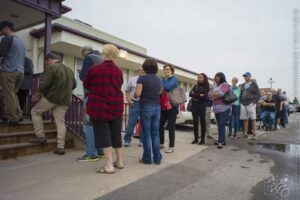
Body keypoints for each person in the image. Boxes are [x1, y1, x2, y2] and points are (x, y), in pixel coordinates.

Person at [84, 44, 124, 174]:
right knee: (116, 134)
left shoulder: (95, 69)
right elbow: (119, 84)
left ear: (103, 54)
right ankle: (119, 161)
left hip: (100, 106)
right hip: (116, 106)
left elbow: (86, 84)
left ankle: (108, 165)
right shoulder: (119, 70)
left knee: (104, 135)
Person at [29, 54, 77, 155]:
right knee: (60, 122)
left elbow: (45, 83)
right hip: (65, 100)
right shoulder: (69, 70)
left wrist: (37, 94)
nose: (46, 65)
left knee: (35, 112)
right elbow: (74, 85)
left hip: (52, 98)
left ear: (49, 60)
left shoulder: (52, 67)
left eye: (46, 63)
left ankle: (40, 136)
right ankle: (60, 147)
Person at [77, 45, 104, 162]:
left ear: (84, 52)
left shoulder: (89, 58)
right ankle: (100, 151)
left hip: (91, 96)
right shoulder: (102, 59)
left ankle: (91, 154)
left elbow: (84, 77)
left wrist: (79, 73)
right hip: (102, 96)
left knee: (88, 124)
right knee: (98, 124)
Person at [135, 58, 162, 165]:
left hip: (146, 106)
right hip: (157, 107)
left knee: (146, 133)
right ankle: (157, 158)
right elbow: (160, 92)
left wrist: (135, 95)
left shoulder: (141, 78)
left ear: (145, 66)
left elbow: (137, 94)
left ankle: (147, 158)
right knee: (155, 133)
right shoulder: (159, 79)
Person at [0, 20, 25, 124]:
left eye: (1, 30)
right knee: (13, 94)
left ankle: (12, 117)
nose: (1, 32)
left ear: (6, 28)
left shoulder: (7, 39)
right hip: (20, 72)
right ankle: (18, 115)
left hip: (8, 71)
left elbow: (1, 53)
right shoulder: (20, 42)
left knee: (8, 94)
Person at [159, 64, 179, 153]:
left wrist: (162, 83)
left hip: (172, 106)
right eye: (164, 69)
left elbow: (167, 88)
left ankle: (171, 146)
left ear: (172, 70)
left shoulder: (174, 79)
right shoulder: (164, 79)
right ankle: (161, 143)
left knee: (171, 127)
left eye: (167, 69)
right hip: (163, 106)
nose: (165, 70)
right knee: (160, 125)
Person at [123, 67, 144, 147]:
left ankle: (142, 141)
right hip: (134, 104)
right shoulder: (133, 79)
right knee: (131, 123)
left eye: (144, 70)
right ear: (138, 71)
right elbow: (127, 90)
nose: (142, 71)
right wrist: (129, 100)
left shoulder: (147, 80)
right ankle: (127, 140)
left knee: (144, 124)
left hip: (144, 104)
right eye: (141, 70)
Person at [210, 72, 231, 149]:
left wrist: (214, 94)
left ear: (222, 77)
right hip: (216, 108)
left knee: (221, 124)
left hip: (225, 108)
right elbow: (209, 94)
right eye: (216, 77)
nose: (216, 78)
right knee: (219, 125)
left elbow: (221, 93)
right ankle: (223, 140)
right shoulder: (214, 86)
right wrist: (214, 94)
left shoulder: (225, 85)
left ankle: (220, 142)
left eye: (218, 77)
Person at [189, 73, 209, 144]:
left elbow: (205, 97)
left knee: (202, 122)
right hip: (194, 105)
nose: (199, 78)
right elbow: (190, 94)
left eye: (200, 77)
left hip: (202, 105)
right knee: (195, 122)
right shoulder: (195, 86)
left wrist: (195, 95)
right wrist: (199, 95)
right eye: (198, 77)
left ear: (204, 78)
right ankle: (196, 139)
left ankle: (202, 139)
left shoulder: (206, 87)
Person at [240, 72, 261, 140]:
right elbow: (241, 94)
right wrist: (240, 101)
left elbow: (258, 95)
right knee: (245, 119)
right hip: (243, 103)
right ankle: (245, 133)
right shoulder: (242, 85)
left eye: (246, 76)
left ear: (250, 76)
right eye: (244, 76)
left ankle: (254, 133)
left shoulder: (254, 84)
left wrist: (254, 102)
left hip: (251, 103)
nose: (245, 77)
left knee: (253, 118)